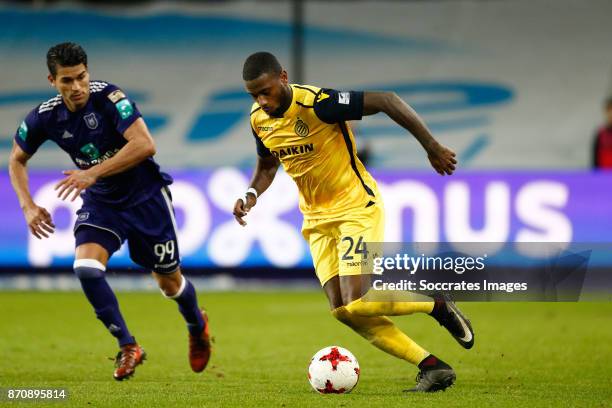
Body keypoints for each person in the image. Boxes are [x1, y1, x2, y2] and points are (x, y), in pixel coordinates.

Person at [234, 52, 473, 392]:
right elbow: (267, 167)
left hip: (356, 208)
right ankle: (431, 366)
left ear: (283, 77)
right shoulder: (259, 119)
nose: (261, 100)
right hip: (317, 221)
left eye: (266, 91)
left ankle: (435, 303)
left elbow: (387, 100)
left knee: (358, 299)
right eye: (254, 95)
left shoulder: (320, 104)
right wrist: (250, 195)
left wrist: (431, 146)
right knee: (343, 310)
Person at [8, 42, 211, 381]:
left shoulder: (111, 98)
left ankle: (196, 324)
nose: (77, 87)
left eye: (82, 77)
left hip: (145, 197)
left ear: (89, 72)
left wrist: (92, 173)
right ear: (52, 81)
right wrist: (28, 205)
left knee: (169, 282)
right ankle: (128, 345)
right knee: (86, 268)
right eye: (67, 81)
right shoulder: (44, 117)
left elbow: (145, 144)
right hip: (102, 202)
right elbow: (16, 159)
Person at [592, 96, 612, 168]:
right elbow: (595, 160)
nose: (611, 114)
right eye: (609, 110)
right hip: (603, 176)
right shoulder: (600, 134)